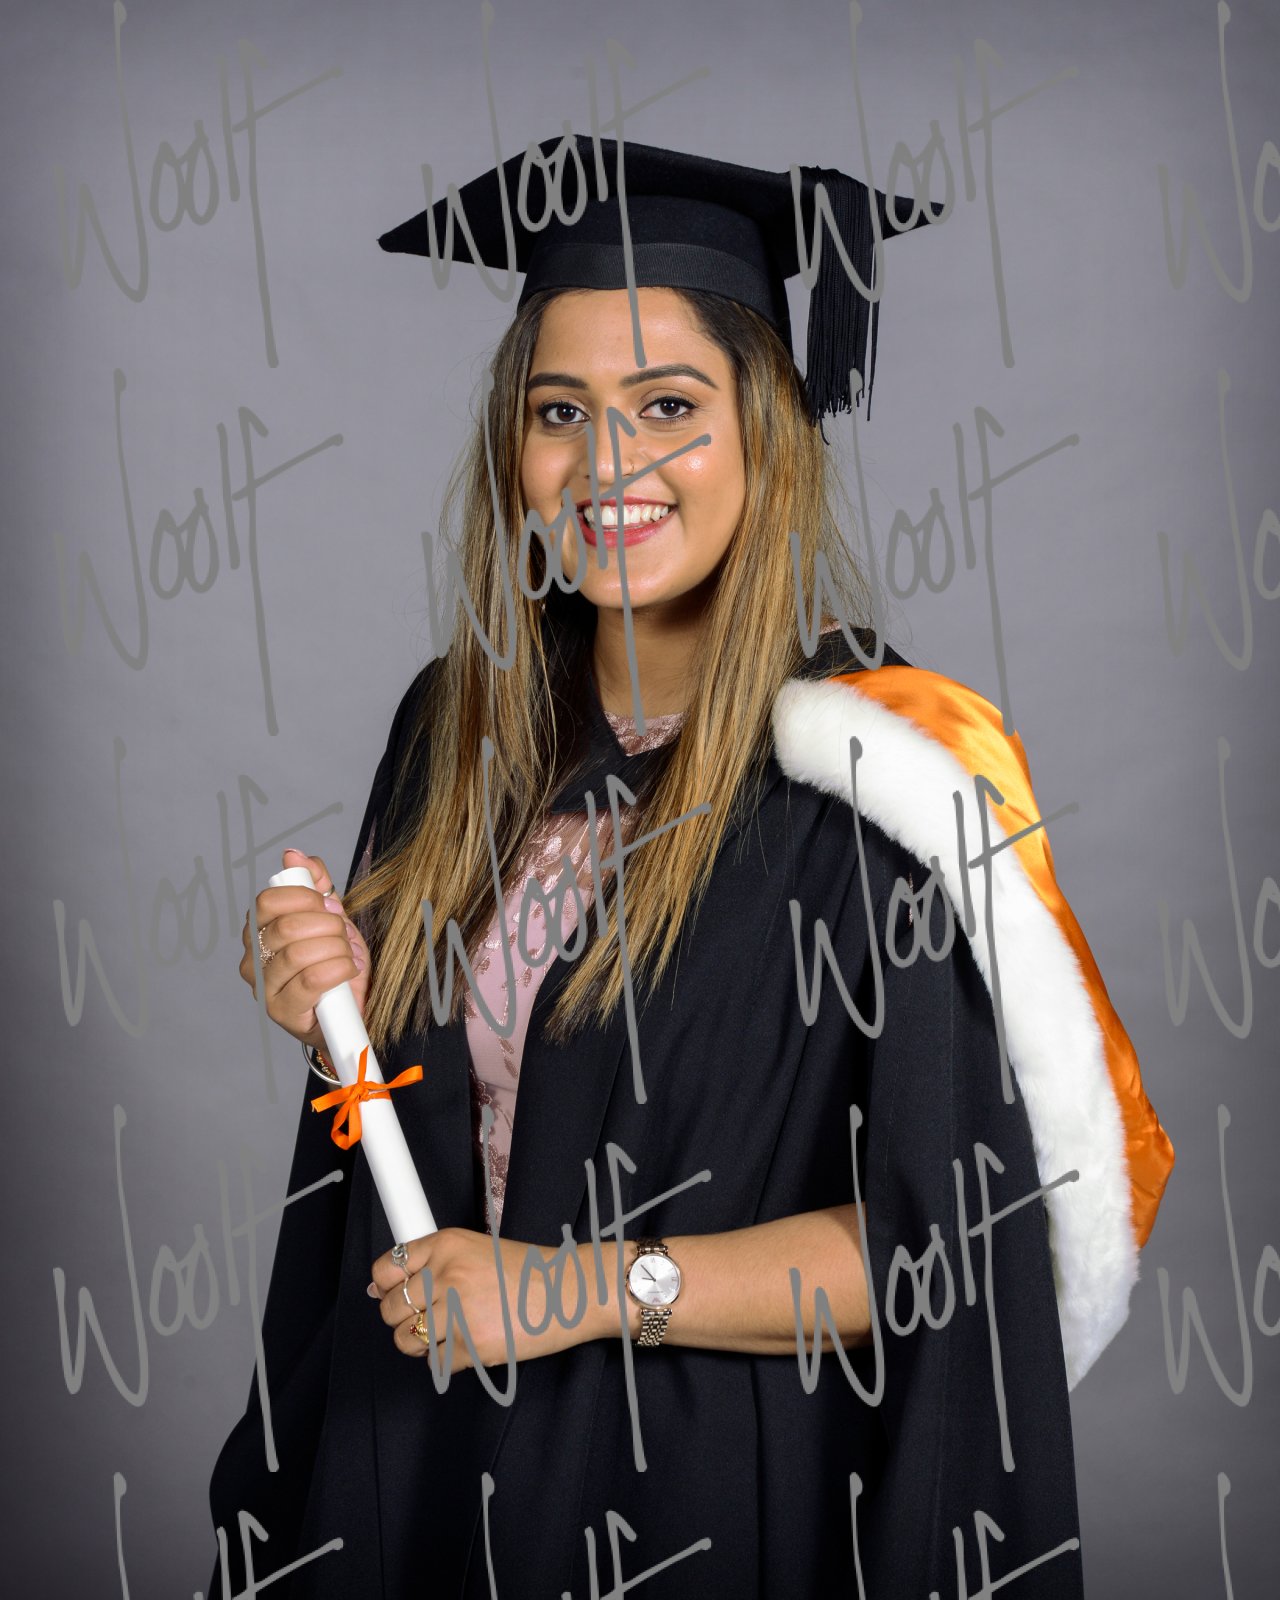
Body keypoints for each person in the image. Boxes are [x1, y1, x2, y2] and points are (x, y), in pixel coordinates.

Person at [208, 139, 1175, 1598]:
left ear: (765, 433)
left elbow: (937, 1255)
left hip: (697, 1505)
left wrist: (579, 1290)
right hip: (432, 1470)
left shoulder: (878, 781)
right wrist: (338, 1012)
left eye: (669, 406)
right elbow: (442, 1137)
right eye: (560, 412)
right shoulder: (457, 730)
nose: (608, 465)